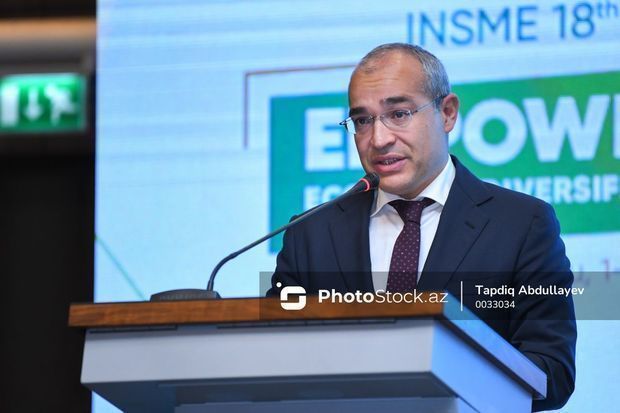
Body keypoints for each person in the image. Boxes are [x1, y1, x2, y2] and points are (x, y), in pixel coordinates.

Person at [269, 43, 576, 411]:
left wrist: (439, 371)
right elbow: (274, 358)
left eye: (398, 114)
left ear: (447, 113)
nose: (379, 139)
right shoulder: (311, 233)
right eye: (362, 120)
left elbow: (552, 372)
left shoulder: (522, 225)